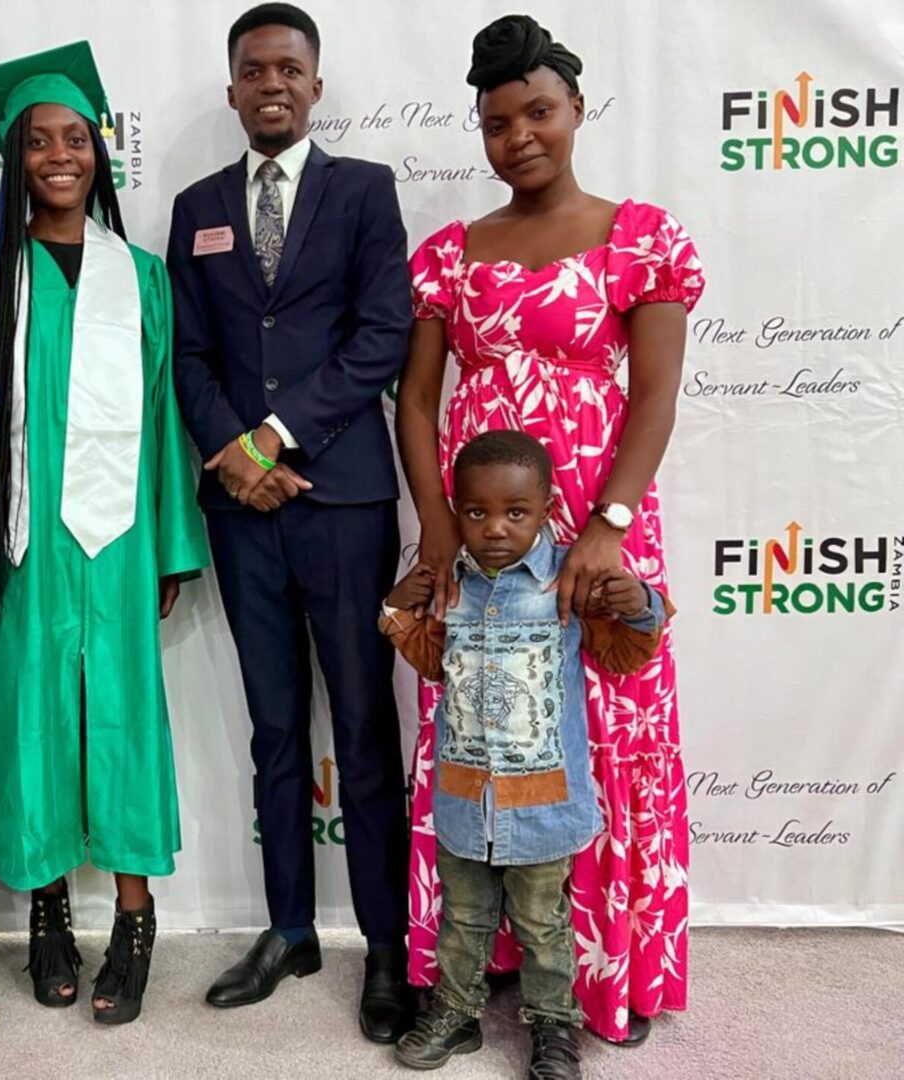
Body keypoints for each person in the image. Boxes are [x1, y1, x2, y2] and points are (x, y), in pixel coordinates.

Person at [394, 14, 705, 1047]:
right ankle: (476, 976)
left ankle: (597, 979)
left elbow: (656, 396)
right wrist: (436, 531)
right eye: (496, 121)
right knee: (482, 722)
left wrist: (609, 525)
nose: (519, 135)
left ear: (576, 112)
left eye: (539, 112)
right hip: (482, 534)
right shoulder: (447, 254)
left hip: (597, 526)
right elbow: (417, 404)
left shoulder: (642, 238)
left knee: (603, 732)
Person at [0, 42, 209, 1026]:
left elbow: (162, 422)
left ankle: (133, 917)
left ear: (100, 154)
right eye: (40, 142)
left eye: (77, 139)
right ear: (13, 157)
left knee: (120, 723)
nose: (60, 156)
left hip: (114, 545)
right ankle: (44, 915)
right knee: (27, 722)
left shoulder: (144, 278)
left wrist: (167, 542)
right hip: (16, 547)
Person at [166, 3, 415, 1042]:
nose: (272, 83)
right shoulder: (196, 205)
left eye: (290, 68)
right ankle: (286, 927)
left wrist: (275, 438)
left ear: (317, 86)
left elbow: (383, 335)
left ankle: (389, 949)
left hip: (341, 496)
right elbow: (187, 352)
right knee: (275, 727)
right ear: (232, 89)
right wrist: (235, 451)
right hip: (240, 507)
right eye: (254, 69)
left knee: (361, 728)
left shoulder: (364, 191)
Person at [381, 431, 672, 1077]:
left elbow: (626, 654)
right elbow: (433, 666)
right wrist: (398, 609)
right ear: (456, 510)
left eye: (515, 513)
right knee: (462, 920)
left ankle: (553, 1029)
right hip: (463, 798)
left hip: (541, 804)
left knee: (544, 926)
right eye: (476, 512)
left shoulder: (570, 580)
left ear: (546, 508)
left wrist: (641, 606)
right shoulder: (447, 585)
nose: (493, 529)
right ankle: (456, 1014)